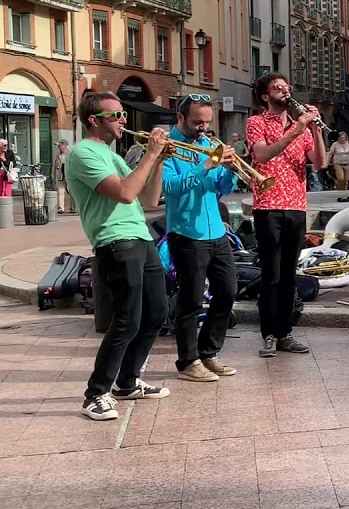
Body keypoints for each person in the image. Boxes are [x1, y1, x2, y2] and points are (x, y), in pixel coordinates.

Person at [65, 92, 171, 420]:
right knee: (127, 318)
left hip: (139, 236)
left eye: (124, 114)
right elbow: (125, 193)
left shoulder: (113, 155)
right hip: (115, 240)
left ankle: (127, 381)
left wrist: (159, 161)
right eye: (116, 116)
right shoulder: (83, 153)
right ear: (94, 120)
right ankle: (96, 393)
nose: (123, 121)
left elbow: (150, 199)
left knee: (157, 312)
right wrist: (150, 153)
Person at [246, 73, 328, 358]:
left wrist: (315, 130)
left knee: (289, 275)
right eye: (278, 88)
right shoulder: (256, 122)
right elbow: (263, 155)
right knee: (271, 275)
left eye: (287, 87)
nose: (285, 91)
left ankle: (285, 333)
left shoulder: (301, 126)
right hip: (268, 206)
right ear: (266, 96)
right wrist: (296, 131)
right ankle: (268, 333)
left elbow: (320, 163)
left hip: (295, 206)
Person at [162, 95, 239, 382]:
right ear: (180, 118)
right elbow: (168, 188)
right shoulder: (167, 149)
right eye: (197, 122)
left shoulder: (208, 144)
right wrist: (203, 166)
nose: (203, 128)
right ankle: (188, 360)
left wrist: (229, 172)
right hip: (186, 232)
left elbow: (220, 188)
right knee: (191, 299)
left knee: (228, 291)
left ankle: (209, 352)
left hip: (216, 231)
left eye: (207, 122)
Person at [55, 140, 74, 213]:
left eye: (60, 146)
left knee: (72, 191)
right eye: (58, 146)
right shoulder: (58, 156)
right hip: (61, 176)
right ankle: (61, 208)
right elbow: (55, 166)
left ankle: (73, 208)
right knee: (60, 191)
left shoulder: (71, 154)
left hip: (70, 176)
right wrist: (53, 175)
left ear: (65, 146)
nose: (59, 148)